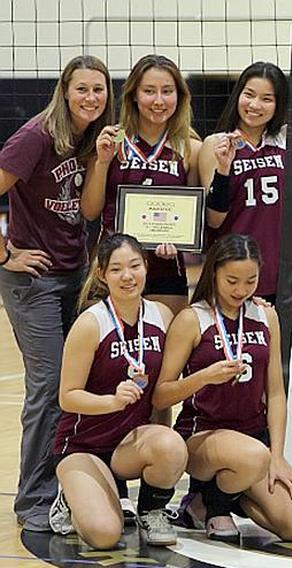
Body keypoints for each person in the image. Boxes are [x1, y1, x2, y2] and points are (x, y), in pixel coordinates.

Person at [0, 55, 114, 531]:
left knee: (79, 386)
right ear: (64, 90)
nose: (91, 98)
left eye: (99, 90)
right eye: (82, 89)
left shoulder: (91, 137)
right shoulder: (35, 137)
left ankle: (71, 487)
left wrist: (102, 161)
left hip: (74, 276)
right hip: (34, 282)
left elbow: (87, 212)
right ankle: (33, 501)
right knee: (48, 391)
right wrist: (5, 256)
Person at [153, 234, 292, 542]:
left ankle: (205, 502)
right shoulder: (191, 319)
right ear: (214, 273)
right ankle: (215, 503)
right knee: (252, 456)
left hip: (254, 441)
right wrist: (203, 377)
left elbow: (276, 392)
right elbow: (161, 394)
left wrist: (277, 456)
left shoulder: (267, 316)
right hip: (203, 436)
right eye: (232, 281)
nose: (241, 290)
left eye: (250, 281)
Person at [49, 233, 185, 548]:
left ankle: (152, 510)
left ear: (146, 267)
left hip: (128, 446)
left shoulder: (162, 316)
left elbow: (162, 391)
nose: (127, 276)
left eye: (134, 266)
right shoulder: (90, 323)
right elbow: (67, 397)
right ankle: (70, 497)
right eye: (116, 269)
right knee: (104, 535)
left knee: (172, 445)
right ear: (102, 275)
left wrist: (160, 439)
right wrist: (112, 401)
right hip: (83, 445)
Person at [82, 54, 202, 315]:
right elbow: (90, 211)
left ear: (179, 96)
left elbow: (194, 216)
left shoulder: (190, 147)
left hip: (166, 267)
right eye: (149, 91)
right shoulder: (112, 140)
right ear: (134, 94)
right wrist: (102, 163)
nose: (159, 101)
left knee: (164, 352)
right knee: (109, 350)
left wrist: (179, 241)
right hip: (112, 265)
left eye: (167, 91)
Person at [198, 61, 289, 304]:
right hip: (235, 272)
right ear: (238, 95)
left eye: (267, 98)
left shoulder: (286, 141)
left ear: (279, 104)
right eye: (249, 95)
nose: (255, 105)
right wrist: (224, 169)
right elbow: (214, 219)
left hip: (281, 270)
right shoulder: (215, 144)